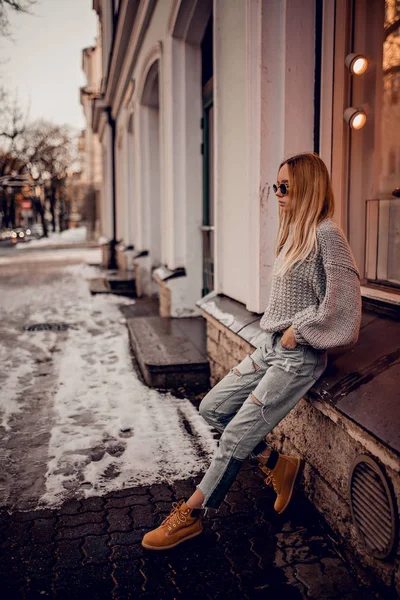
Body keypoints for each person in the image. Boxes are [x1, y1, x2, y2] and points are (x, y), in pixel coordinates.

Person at [141, 152, 362, 551]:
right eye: (275, 186)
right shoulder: (294, 233)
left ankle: (191, 515)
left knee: (235, 439)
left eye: (284, 187)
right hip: (272, 346)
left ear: (308, 188)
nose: (276, 194)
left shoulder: (327, 234)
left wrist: (301, 330)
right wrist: (283, 333)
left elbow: (344, 305)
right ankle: (280, 465)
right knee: (212, 408)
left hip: (298, 356)